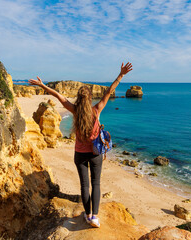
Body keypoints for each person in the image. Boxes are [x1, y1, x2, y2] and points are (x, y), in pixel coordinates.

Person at [29, 62, 133, 228]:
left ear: (78, 98)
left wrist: (42, 85)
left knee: (85, 185)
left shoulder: (74, 110)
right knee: (96, 184)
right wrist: (121, 75)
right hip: (96, 153)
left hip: (80, 155)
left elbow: (58, 96)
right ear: (90, 98)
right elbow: (109, 91)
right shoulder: (97, 109)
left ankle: (88, 214)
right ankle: (95, 217)